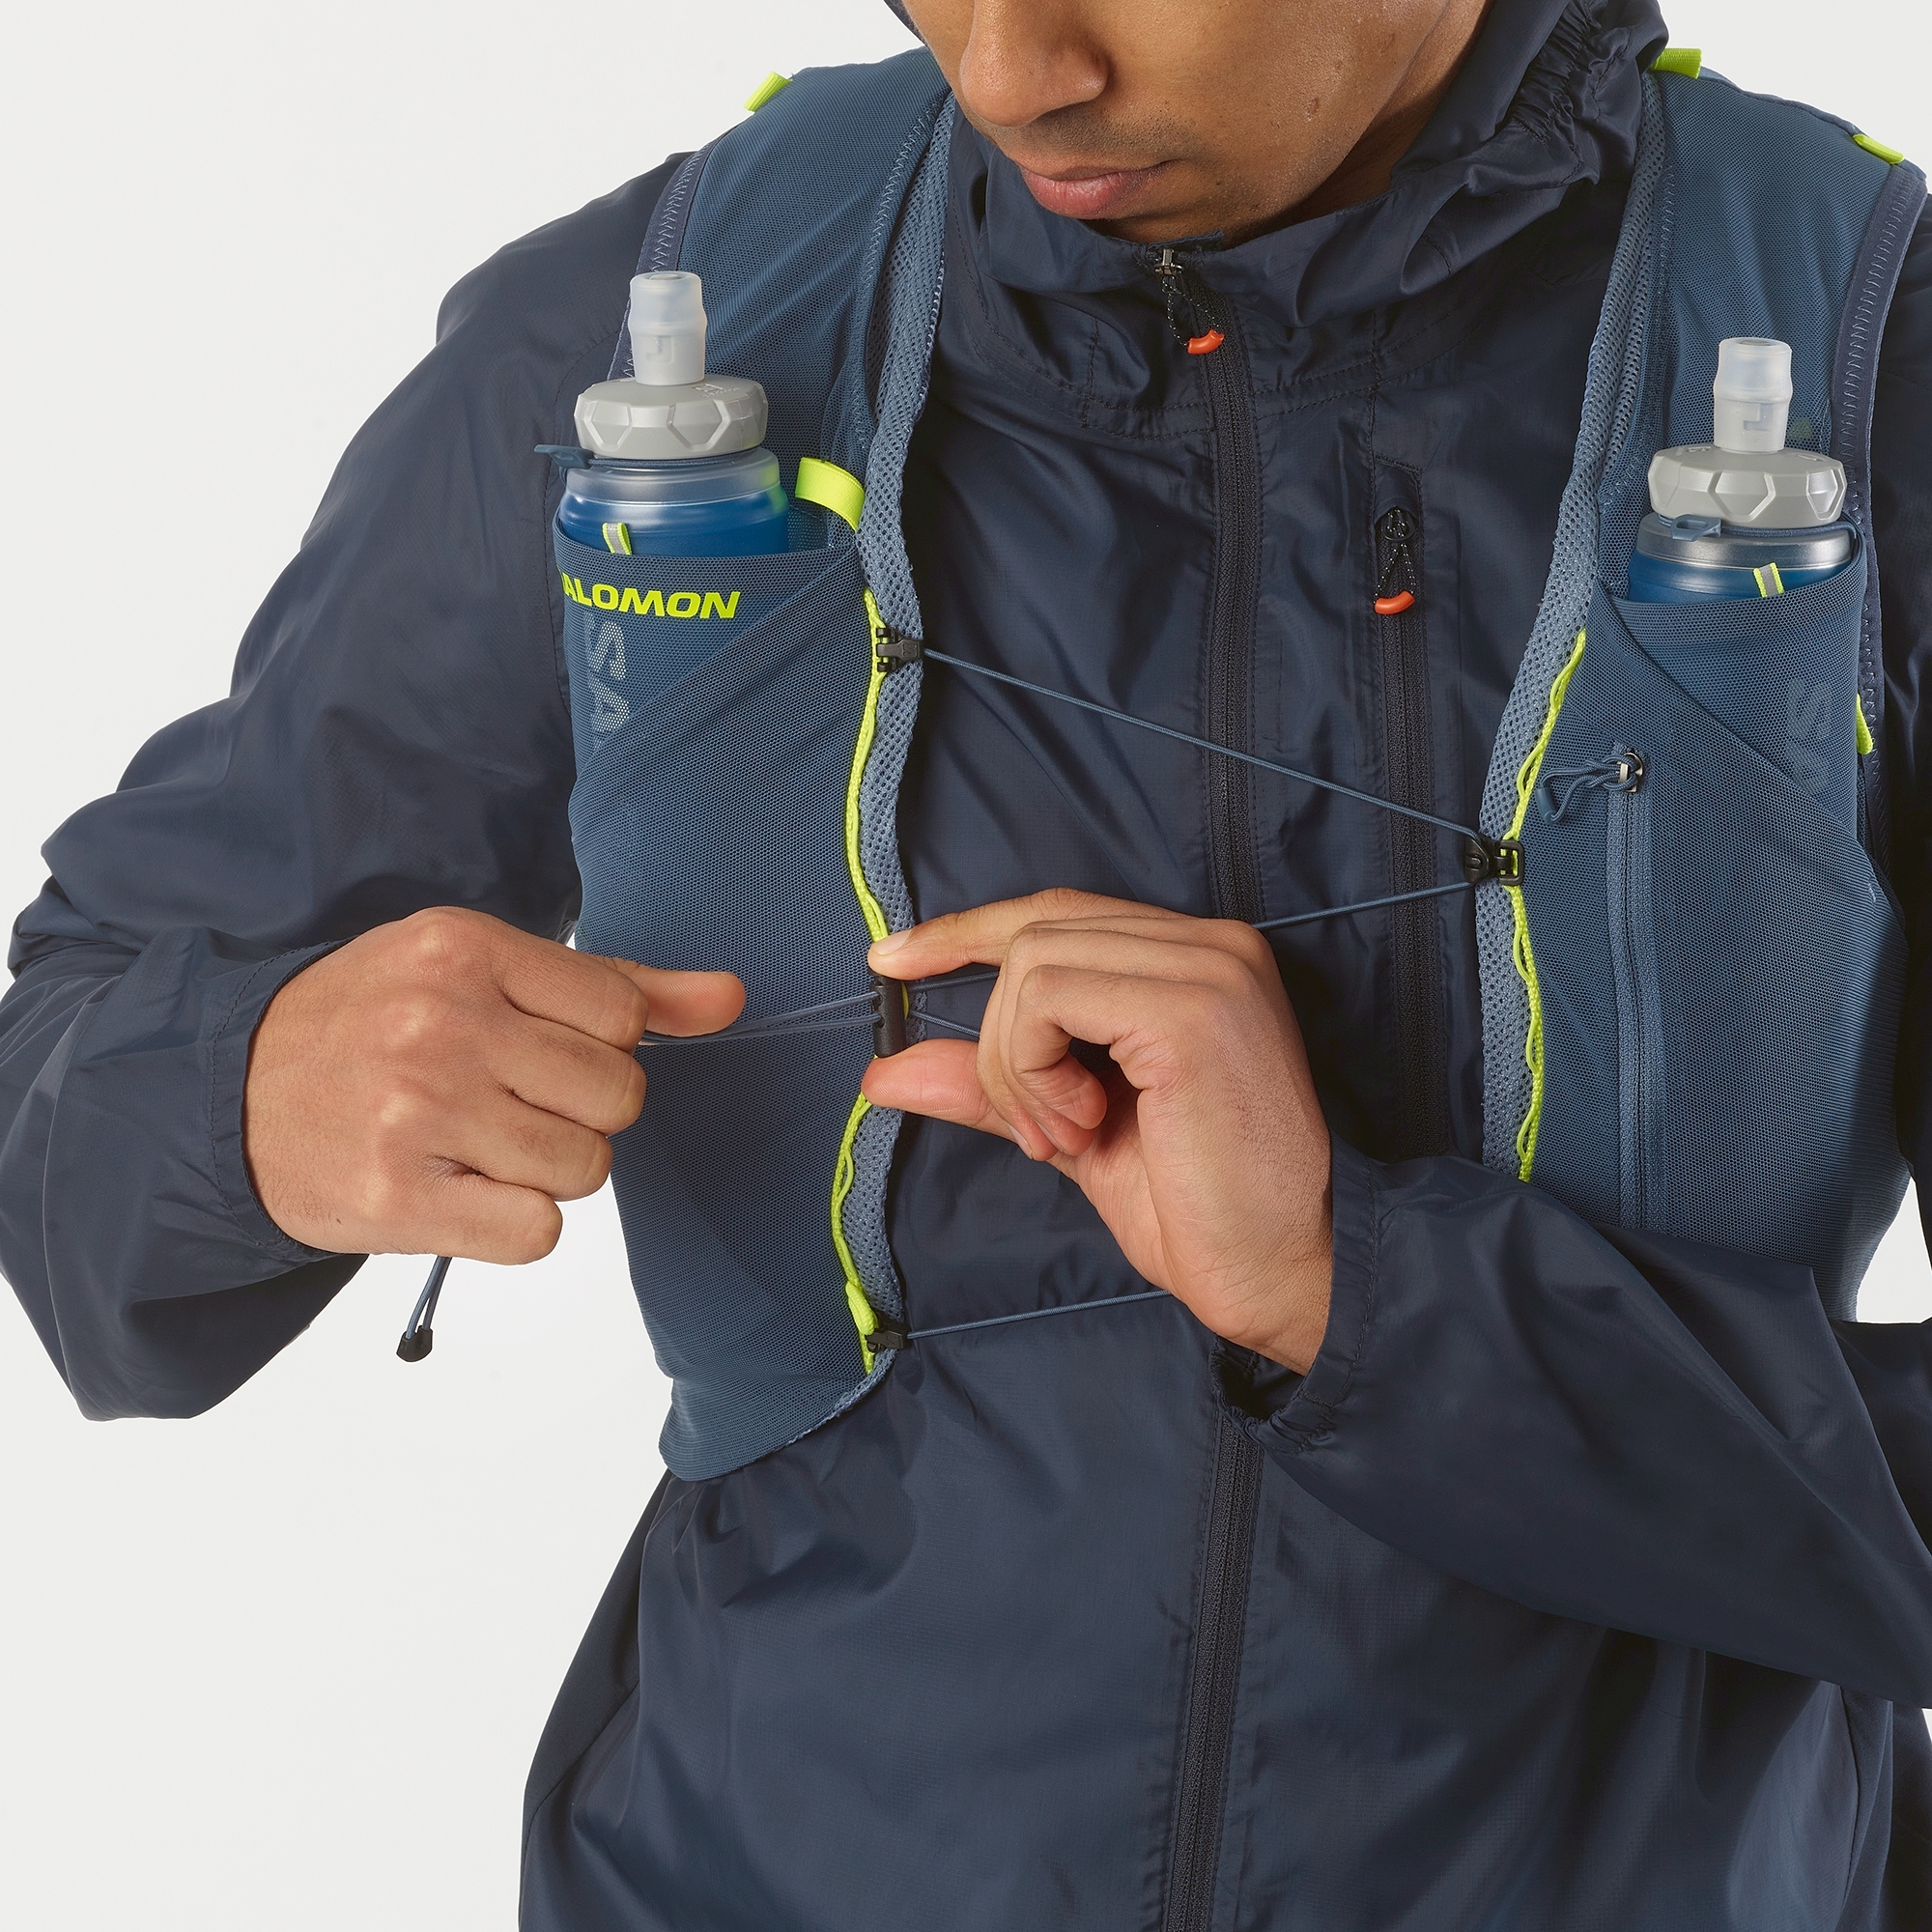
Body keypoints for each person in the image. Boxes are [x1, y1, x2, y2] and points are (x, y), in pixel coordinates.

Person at [5, 0, 1932, 1923]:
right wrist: (242, 1093)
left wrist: (1363, 1295)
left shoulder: (1871, 359)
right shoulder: (670, 311)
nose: (1011, 74)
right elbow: (62, 1083)